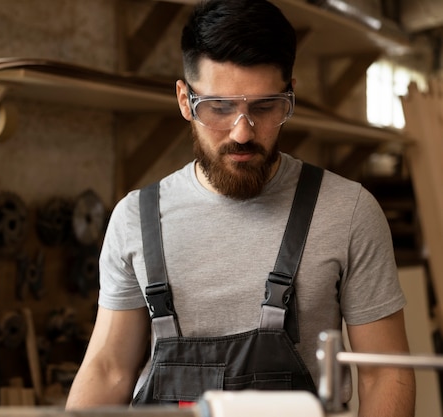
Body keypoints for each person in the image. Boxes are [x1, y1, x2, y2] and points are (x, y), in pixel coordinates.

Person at [65, 0, 416, 415]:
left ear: (291, 96)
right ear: (184, 99)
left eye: (265, 107)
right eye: (219, 108)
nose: (243, 132)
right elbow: (109, 370)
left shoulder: (349, 211)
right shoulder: (135, 219)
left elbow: (384, 372)